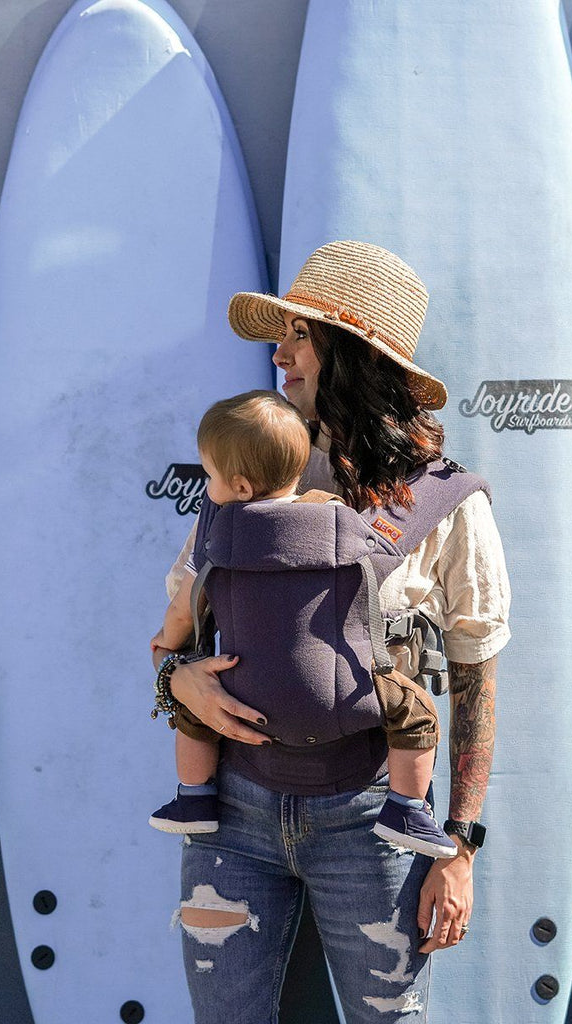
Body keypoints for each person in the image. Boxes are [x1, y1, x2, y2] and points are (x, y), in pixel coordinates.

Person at [153, 241, 509, 1022]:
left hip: (376, 822)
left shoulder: (447, 503)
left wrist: (459, 849)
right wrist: (177, 683)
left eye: (301, 335)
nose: (278, 353)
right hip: (232, 816)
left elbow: (477, 683)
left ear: (351, 356)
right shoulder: (248, 473)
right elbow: (177, 631)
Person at [148, 389, 457, 859]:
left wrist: (168, 649)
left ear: (241, 486)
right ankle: (407, 809)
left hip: (242, 695)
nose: (207, 486)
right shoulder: (338, 519)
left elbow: (184, 609)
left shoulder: (221, 534)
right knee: (416, 712)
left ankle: (194, 798)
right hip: (346, 701)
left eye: (209, 475)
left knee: (196, 712)